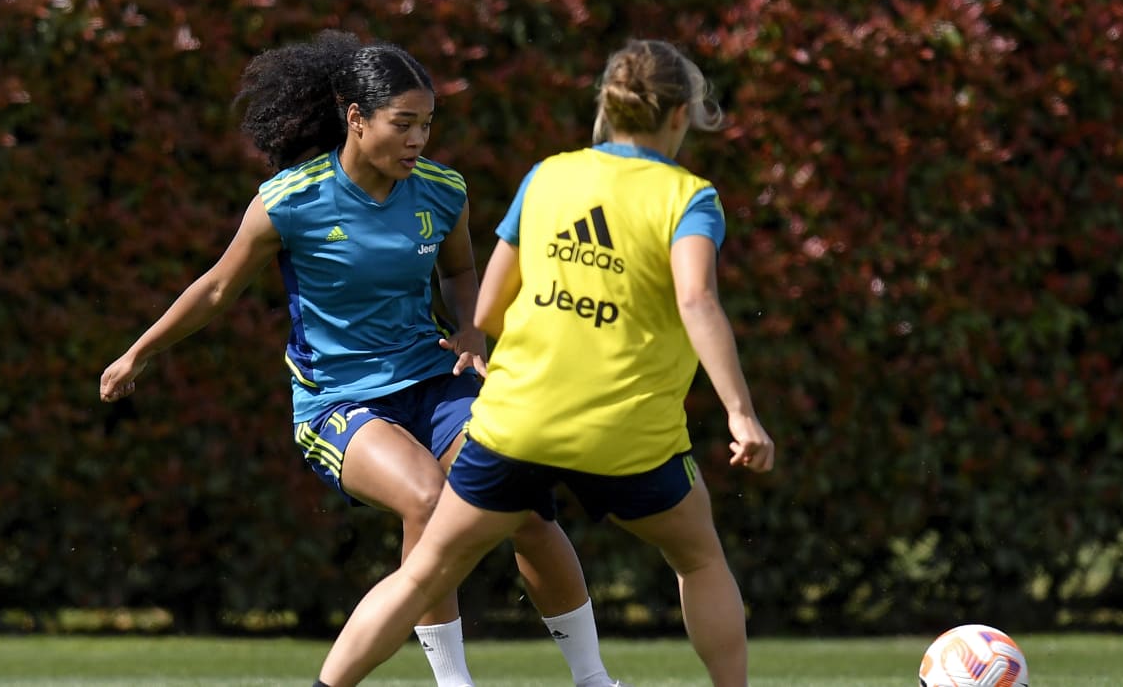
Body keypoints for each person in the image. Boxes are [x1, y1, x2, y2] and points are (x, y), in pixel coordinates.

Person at [99, 30, 622, 687]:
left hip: (435, 381)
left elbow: (461, 272)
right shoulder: (290, 201)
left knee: (520, 497)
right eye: (403, 124)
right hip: (340, 401)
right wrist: (137, 353)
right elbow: (215, 288)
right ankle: (454, 684)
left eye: (426, 125)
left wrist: (471, 331)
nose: (418, 140)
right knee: (428, 503)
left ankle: (593, 679)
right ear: (355, 118)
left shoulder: (441, 190)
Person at [312, 38, 777, 687]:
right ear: (679, 117)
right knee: (698, 559)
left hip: (517, 423)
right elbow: (696, 299)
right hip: (628, 437)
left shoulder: (550, 175)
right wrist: (741, 414)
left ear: (608, 109)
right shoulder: (688, 198)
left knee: (424, 572)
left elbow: (490, 309)